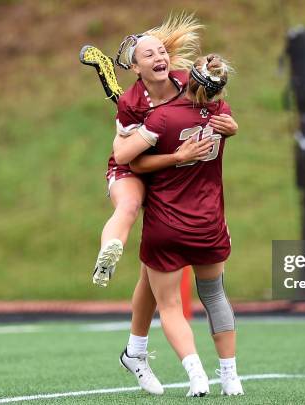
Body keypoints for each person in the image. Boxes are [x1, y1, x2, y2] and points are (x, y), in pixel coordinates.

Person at [89, 15, 239, 396]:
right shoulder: (131, 101)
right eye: (148, 54)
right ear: (135, 68)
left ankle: (135, 353)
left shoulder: (184, 83)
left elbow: (219, 106)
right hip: (131, 165)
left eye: (161, 51)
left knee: (150, 274)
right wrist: (178, 155)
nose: (159, 57)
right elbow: (124, 156)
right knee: (126, 207)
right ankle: (110, 249)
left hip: (168, 177)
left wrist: (230, 125)